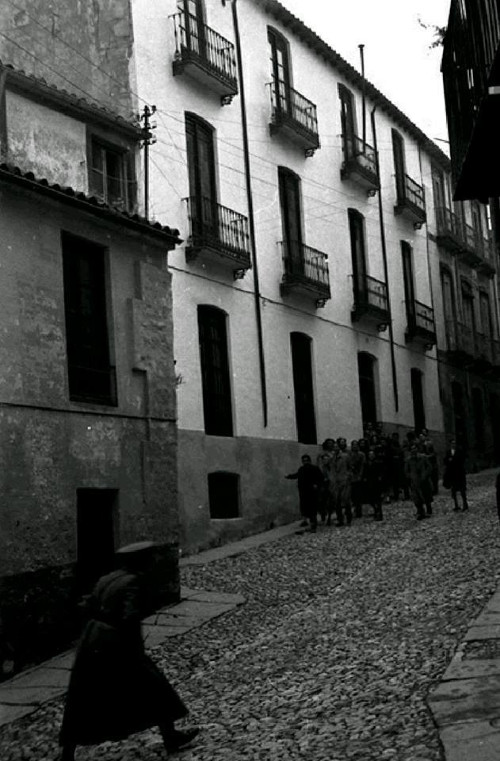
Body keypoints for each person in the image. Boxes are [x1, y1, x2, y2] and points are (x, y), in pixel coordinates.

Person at [58, 542, 199, 761]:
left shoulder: (107, 578)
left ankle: (67, 753)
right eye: (149, 559)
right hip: (116, 641)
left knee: (84, 694)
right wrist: (135, 650)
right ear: (141, 562)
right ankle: (171, 737)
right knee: (155, 686)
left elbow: (86, 605)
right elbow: (130, 617)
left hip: (92, 637)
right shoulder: (134, 581)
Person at [285, 454, 323, 532]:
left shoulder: (315, 468)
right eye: (304, 461)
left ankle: (313, 525)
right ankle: (306, 521)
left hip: (312, 492)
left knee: (312, 509)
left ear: (310, 461)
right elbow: (296, 475)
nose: (305, 462)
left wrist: (316, 485)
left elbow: (320, 478)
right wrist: (288, 476)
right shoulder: (301, 469)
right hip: (303, 492)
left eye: (307, 460)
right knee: (305, 508)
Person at [405, 443, 433, 520]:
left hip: (424, 480)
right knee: (416, 498)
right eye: (411, 449)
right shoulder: (408, 460)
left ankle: (428, 508)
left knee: (426, 495)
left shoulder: (423, 457)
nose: (413, 450)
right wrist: (410, 476)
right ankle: (421, 511)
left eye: (414, 448)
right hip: (415, 482)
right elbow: (406, 471)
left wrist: (426, 474)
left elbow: (429, 467)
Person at [443, 439, 468, 512]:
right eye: (452, 443)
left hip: (460, 474)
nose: (453, 445)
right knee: (453, 491)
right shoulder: (448, 452)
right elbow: (445, 461)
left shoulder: (460, 451)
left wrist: (453, 460)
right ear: (450, 444)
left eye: (455, 443)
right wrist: (448, 460)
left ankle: (465, 504)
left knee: (462, 490)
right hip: (452, 474)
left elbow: (462, 460)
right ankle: (456, 505)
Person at [331, 441, 352, 526]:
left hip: (344, 481)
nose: (335, 448)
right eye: (333, 447)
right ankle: (340, 520)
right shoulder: (332, 458)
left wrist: (348, 476)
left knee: (346, 500)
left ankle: (349, 519)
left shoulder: (345, 456)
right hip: (336, 482)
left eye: (336, 447)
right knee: (337, 502)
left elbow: (350, 467)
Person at [363, 449, 384, 520]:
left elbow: (381, 472)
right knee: (371, 499)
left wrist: (380, 478)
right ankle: (375, 510)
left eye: (372, 454)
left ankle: (379, 514)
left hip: (376, 483)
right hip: (369, 483)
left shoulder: (378, 462)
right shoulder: (366, 463)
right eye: (370, 454)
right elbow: (364, 472)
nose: (371, 456)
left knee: (377, 499)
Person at [348, 440, 366, 518]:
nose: (354, 446)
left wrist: (360, 475)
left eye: (356, 445)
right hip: (351, 477)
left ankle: (359, 511)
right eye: (353, 445)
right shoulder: (348, 454)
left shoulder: (361, 454)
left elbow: (363, 465)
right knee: (352, 495)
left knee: (358, 495)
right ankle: (354, 509)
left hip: (358, 476)